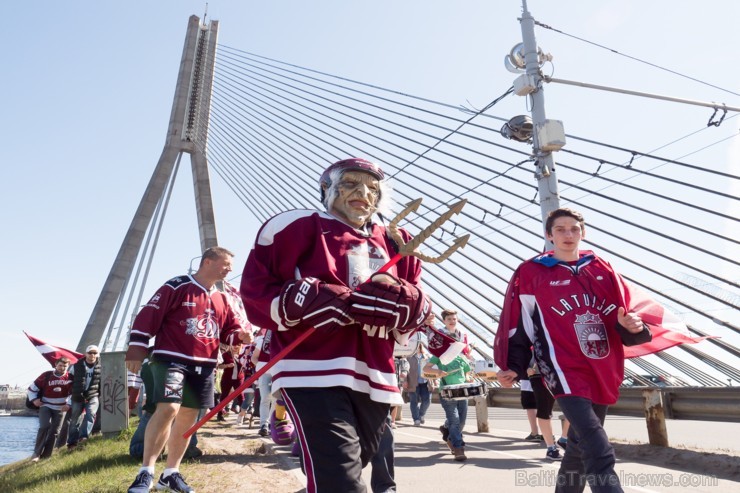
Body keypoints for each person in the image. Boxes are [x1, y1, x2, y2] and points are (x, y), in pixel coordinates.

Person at [241, 157, 431, 492]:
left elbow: (417, 304)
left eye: (373, 188)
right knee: (342, 480)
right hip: (312, 366)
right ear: (326, 189)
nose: (363, 192)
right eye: (351, 183)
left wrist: (410, 305)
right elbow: (256, 290)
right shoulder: (294, 226)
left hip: (377, 370)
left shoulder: (399, 240)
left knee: (353, 466)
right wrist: (297, 299)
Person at [494, 207, 652, 493]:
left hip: (603, 365)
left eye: (574, 229)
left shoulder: (602, 268)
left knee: (578, 447)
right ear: (548, 235)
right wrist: (515, 366)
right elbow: (519, 324)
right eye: (560, 229)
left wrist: (633, 326)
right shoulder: (532, 272)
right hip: (561, 367)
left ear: (583, 232)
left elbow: (624, 319)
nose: (568, 235)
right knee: (596, 442)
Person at [124, 246, 252, 493]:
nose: (229, 270)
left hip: (204, 365)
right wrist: (137, 349)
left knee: (188, 417)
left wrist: (241, 336)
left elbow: (228, 330)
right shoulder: (177, 285)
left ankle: (170, 473)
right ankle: (146, 472)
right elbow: (149, 315)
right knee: (169, 408)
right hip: (172, 359)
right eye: (225, 264)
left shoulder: (223, 298)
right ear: (207, 262)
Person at [130, 357, 203, 460]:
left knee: (138, 449)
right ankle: (186, 447)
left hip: (154, 408)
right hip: (176, 363)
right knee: (185, 411)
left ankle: (151, 448)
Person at [423, 350, 471, 462]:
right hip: (446, 392)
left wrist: (468, 378)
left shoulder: (462, 358)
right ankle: (458, 447)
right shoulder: (439, 355)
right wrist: (439, 371)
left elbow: (467, 372)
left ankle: (448, 435)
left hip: (462, 392)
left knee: (462, 421)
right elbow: (426, 368)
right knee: (454, 420)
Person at [27, 357, 74, 461]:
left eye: (65, 366)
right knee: (44, 426)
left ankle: (46, 455)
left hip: (61, 408)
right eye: (60, 365)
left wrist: (69, 404)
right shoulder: (46, 375)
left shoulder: (70, 377)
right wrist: (34, 400)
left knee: (55, 431)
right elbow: (31, 389)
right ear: (55, 365)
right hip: (46, 405)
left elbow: (74, 393)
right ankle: (36, 453)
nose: (62, 368)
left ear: (68, 366)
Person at [66, 344, 102, 450]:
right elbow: (69, 380)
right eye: (90, 353)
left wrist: (100, 393)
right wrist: (70, 394)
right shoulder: (76, 366)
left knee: (91, 413)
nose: (92, 355)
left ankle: (84, 437)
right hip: (77, 396)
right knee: (75, 419)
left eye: (95, 353)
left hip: (93, 395)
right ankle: (72, 442)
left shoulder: (102, 365)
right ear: (86, 354)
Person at [404, 341, 431, 426]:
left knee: (427, 401)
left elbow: (432, 369)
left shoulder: (427, 357)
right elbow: (405, 369)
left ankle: (421, 414)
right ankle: (416, 419)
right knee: (414, 401)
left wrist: (434, 381)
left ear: (420, 346)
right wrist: (405, 380)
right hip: (413, 382)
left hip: (425, 383)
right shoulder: (409, 357)